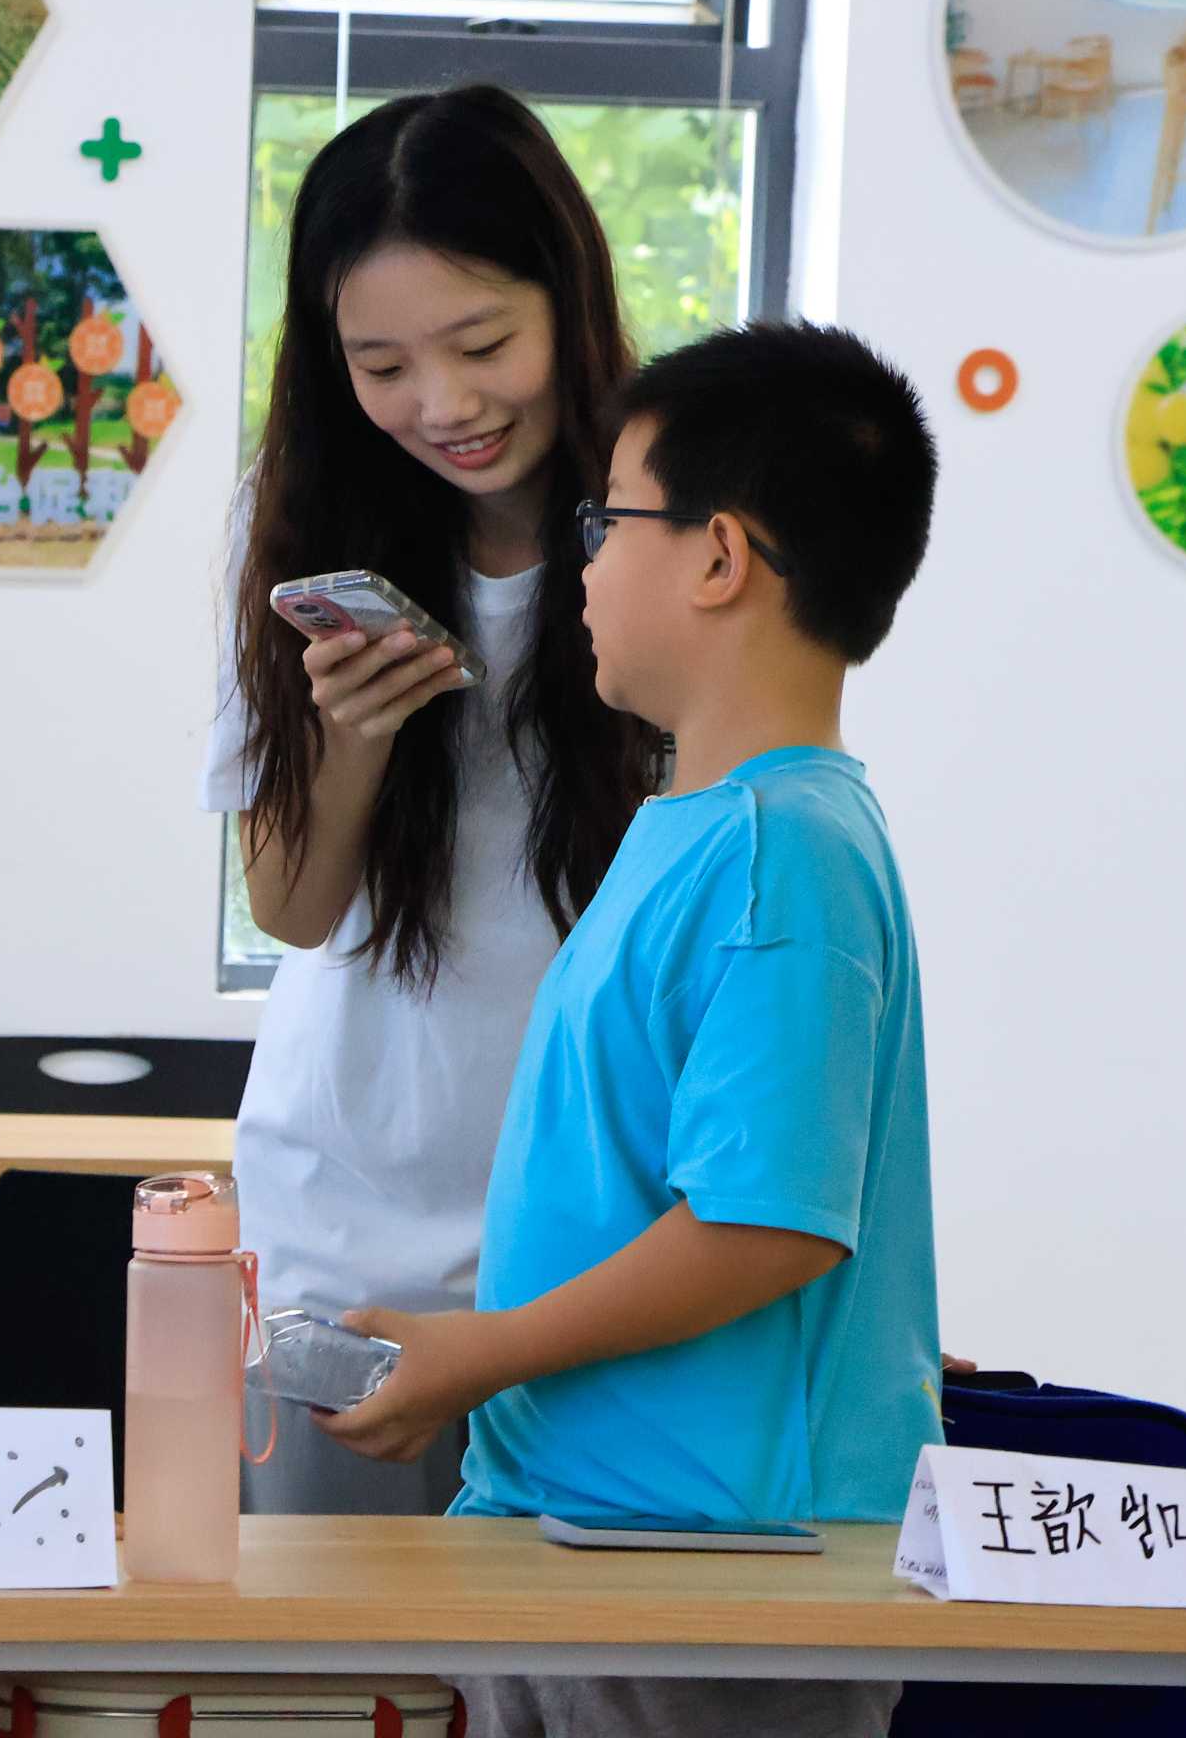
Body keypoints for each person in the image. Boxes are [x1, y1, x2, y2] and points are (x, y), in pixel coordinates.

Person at [321, 322, 943, 1738]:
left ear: (718, 557)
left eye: (608, 522)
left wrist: (480, 1351)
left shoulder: (784, 851)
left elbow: (764, 1226)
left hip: (711, 1572)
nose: (583, 562)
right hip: (600, 1532)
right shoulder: (702, 829)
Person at [204, 86, 661, 1516]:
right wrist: (351, 739)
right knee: (341, 1648)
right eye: (382, 364)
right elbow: (293, 910)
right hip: (344, 1244)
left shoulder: (675, 524)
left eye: (482, 345)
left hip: (596, 1261)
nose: (444, 406)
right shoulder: (299, 525)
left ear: (569, 301)